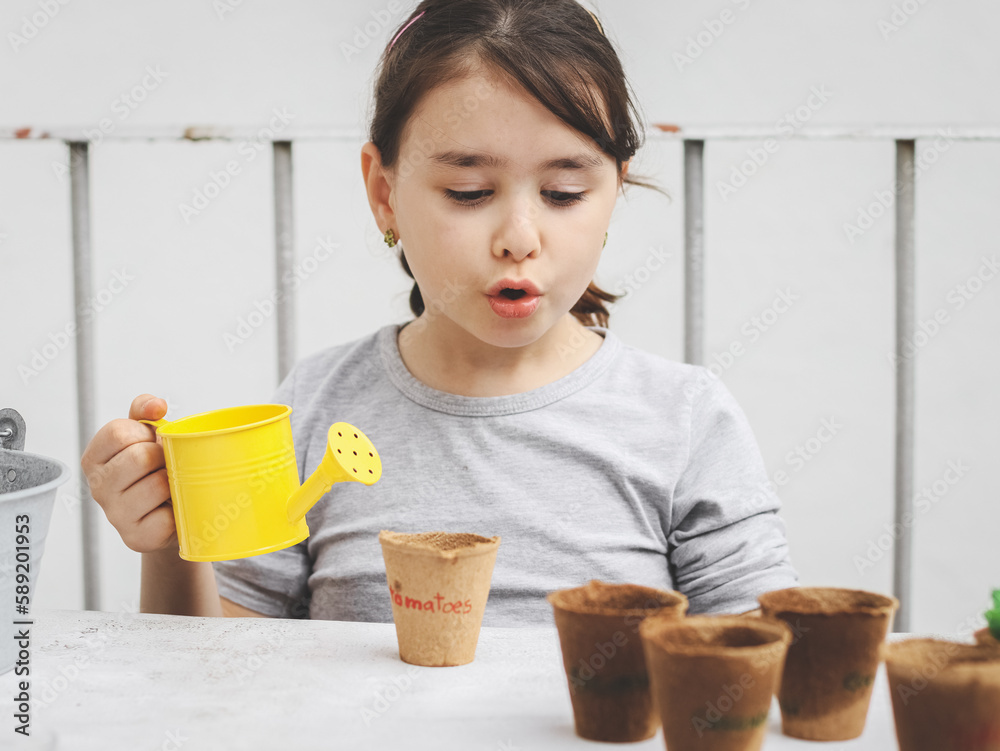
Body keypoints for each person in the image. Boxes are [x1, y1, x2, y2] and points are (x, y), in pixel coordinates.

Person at [81, 0, 797, 625]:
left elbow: (764, 659)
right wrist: (173, 541)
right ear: (384, 192)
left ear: (614, 192)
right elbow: (218, 674)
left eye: (565, 193)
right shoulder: (317, 410)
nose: (520, 236)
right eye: (468, 191)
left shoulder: (686, 420)